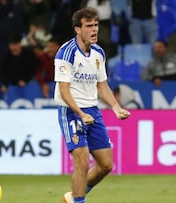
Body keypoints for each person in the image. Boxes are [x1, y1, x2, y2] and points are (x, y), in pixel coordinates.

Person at [54, 7, 130, 203]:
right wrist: (79, 113)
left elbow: (101, 85)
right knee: (82, 161)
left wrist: (115, 107)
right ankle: (79, 200)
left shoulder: (98, 53)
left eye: (96, 25)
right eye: (89, 26)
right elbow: (64, 90)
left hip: (92, 111)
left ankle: (74, 196)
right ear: (78, 29)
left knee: (106, 165)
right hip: (71, 111)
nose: (94, 29)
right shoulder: (66, 53)